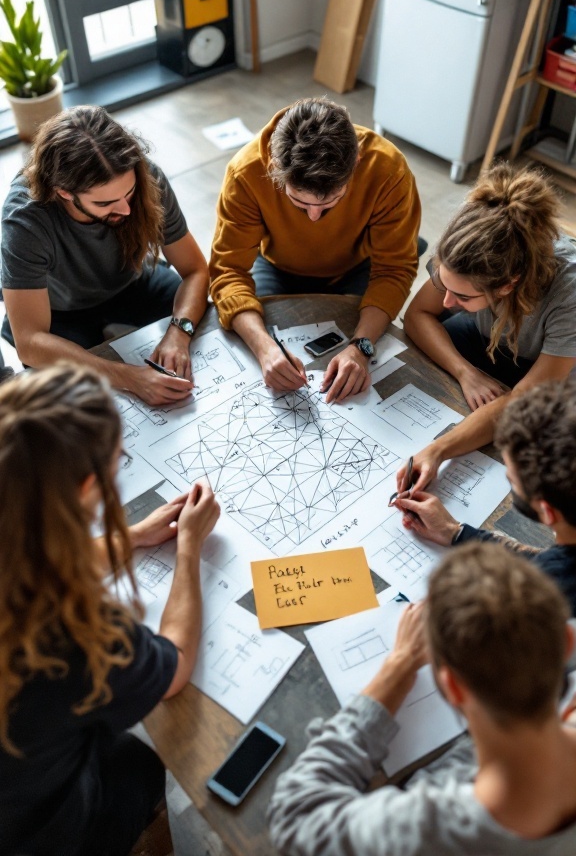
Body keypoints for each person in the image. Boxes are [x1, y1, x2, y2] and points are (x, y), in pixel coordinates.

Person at [0, 363, 220, 856]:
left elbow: (27, 557)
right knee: (142, 759)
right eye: (116, 460)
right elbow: (175, 663)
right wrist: (189, 548)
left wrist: (134, 537)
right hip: (38, 833)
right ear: (83, 489)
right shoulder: (71, 634)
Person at [268, 543, 576, 855]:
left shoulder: (430, 833)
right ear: (567, 642)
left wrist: (398, 665)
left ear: (453, 687)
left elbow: (297, 816)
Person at [209, 98, 421, 402]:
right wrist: (265, 349)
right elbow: (227, 271)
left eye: (330, 201)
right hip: (275, 266)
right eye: (300, 202)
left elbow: (395, 269)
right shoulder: (245, 173)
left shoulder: (389, 170)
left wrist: (361, 348)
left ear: (357, 161)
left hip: (357, 265)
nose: (313, 217)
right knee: (251, 333)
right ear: (273, 168)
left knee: (369, 339)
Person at [1, 105, 210, 407]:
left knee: (207, 323)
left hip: (134, 281)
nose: (126, 210)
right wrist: (130, 377)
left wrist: (179, 333)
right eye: (107, 203)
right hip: (59, 310)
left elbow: (195, 271)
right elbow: (30, 341)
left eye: (129, 194)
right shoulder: (26, 219)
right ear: (64, 192)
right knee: (63, 404)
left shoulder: (145, 176)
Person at [397, 164, 576, 492]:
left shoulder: (569, 295)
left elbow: (520, 402)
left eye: (462, 295)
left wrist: (437, 450)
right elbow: (417, 314)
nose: (447, 301)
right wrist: (466, 373)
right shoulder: (466, 243)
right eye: (443, 284)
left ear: (508, 286)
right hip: (494, 340)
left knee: (539, 454)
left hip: (558, 371)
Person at [396, 380, 576, 615]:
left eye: (510, 479)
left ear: (548, 512)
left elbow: (548, 567)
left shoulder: (547, 593)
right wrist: (456, 532)